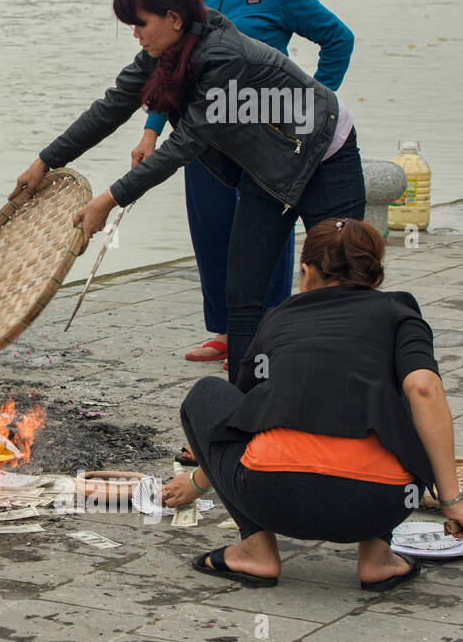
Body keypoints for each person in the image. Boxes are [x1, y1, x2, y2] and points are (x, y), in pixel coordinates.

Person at [9, 0, 364, 383]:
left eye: (140, 23)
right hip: (266, 171)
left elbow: (185, 143)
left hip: (326, 154)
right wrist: (45, 161)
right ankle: (244, 412)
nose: (136, 35)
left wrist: (109, 199)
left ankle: (345, 395)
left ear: (174, 17)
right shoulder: (164, 53)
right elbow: (109, 109)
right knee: (244, 292)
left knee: (342, 280)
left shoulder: (224, 57)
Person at [163, 218, 463, 591]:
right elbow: (423, 389)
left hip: (271, 495)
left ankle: (256, 549)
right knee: (399, 392)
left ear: (305, 273)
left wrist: (196, 484)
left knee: (208, 392)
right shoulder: (400, 312)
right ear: (375, 276)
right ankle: (377, 558)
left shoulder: (278, 317)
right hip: (379, 504)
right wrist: (452, 503)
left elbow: (235, 422)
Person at [133, 0, 354, 378]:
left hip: (264, 143)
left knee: (261, 236)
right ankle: (226, 331)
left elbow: (340, 39)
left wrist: (313, 108)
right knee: (212, 231)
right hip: (201, 139)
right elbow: (165, 68)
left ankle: (271, 328)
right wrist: (150, 130)